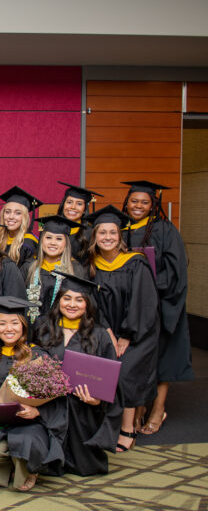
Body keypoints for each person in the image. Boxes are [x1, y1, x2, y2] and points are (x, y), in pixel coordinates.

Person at [120, 180, 194, 435]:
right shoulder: (120, 228)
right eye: (134, 201)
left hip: (161, 303)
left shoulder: (165, 230)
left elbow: (177, 271)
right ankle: (138, 406)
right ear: (126, 202)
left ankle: (157, 408)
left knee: (162, 356)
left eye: (145, 202)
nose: (138, 206)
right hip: (131, 306)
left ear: (153, 205)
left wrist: (148, 286)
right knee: (139, 358)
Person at [85, 205, 159, 452]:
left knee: (125, 371)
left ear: (120, 236)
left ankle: (127, 428)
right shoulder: (91, 266)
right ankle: (103, 426)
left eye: (112, 233)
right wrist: (106, 331)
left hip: (138, 332)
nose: (107, 237)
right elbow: (90, 303)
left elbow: (143, 302)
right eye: (102, 233)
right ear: (94, 237)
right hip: (104, 329)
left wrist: (126, 335)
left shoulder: (136, 263)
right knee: (98, 368)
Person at [34, 272, 122, 475]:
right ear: (58, 301)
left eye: (79, 299)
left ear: (88, 304)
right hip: (49, 405)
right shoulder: (43, 328)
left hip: (83, 407)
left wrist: (96, 401)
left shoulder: (99, 336)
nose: (72, 304)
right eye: (67, 298)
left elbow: (112, 382)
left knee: (87, 466)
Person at [0, 296, 64, 492]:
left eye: (15, 323)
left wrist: (36, 412)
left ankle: (30, 470)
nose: (9, 329)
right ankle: (16, 463)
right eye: (2, 324)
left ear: (23, 326)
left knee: (25, 443)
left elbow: (56, 398)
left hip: (31, 424)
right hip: (2, 423)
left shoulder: (37, 355)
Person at [22, 215, 85, 324]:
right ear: (41, 240)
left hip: (60, 330)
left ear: (66, 243)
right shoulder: (29, 267)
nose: (53, 243)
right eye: (48, 237)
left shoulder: (75, 270)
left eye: (59, 239)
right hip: (30, 329)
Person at [57, 181, 102, 267]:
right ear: (63, 204)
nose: (73, 207)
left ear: (84, 209)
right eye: (69, 202)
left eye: (79, 204)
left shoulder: (90, 233)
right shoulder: (50, 229)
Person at [0, 186, 43, 268]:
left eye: (18, 213)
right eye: (7, 212)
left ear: (25, 217)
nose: (11, 217)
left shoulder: (28, 243)